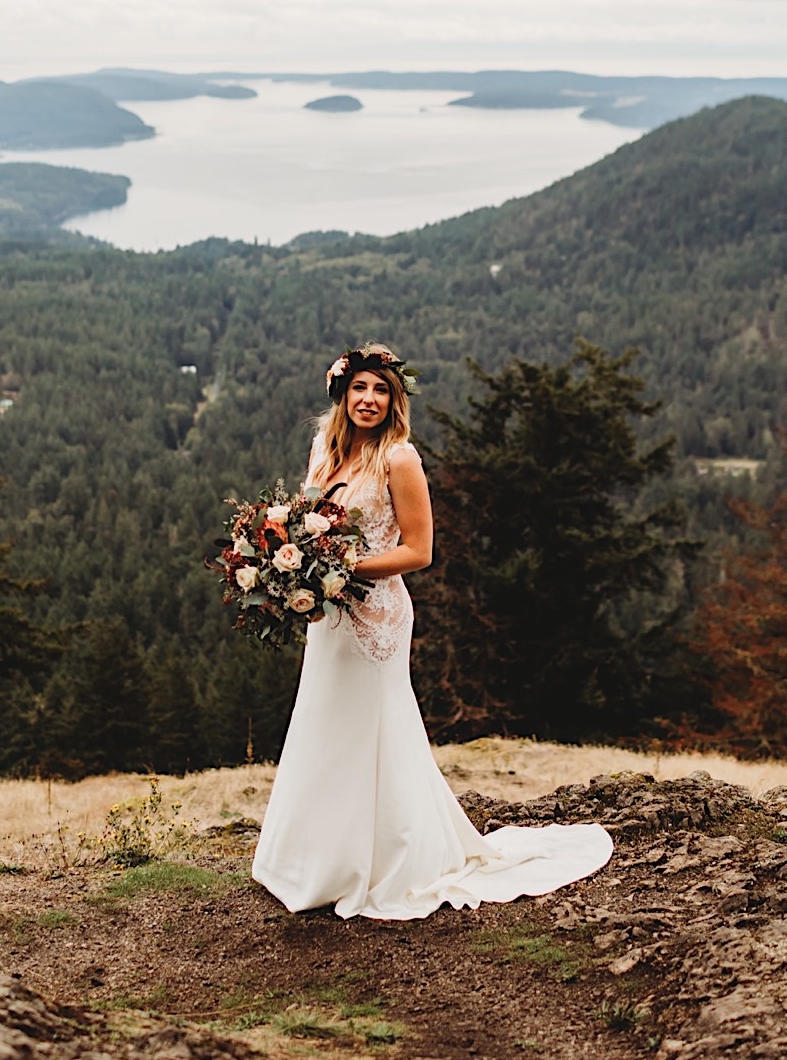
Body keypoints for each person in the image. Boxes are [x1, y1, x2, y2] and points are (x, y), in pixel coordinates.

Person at [251, 343, 613, 921]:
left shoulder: (399, 459)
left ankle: (389, 862)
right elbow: (306, 518)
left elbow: (419, 552)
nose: (369, 400)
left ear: (395, 401)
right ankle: (311, 861)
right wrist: (288, 558)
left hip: (376, 617)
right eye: (360, 388)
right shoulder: (324, 448)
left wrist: (339, 568)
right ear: (342, 395)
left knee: (374, 731)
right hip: (328, 612)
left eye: (381, 390)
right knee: (323, 721)